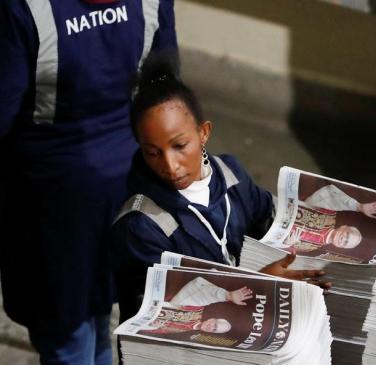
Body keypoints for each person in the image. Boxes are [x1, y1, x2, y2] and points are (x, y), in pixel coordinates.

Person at [0, 0, 177, 365]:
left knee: (65, 349)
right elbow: (165, 83)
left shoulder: (25, 8)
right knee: (98, 329)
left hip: (53, 198)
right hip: (126, 184)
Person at [110, 54, 326, 321]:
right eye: (152, 152)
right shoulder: (140, 226)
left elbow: (269, 217)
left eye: (180, 146)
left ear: (204, 133)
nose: (170, 165)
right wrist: (259, 283)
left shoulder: (230, 173)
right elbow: (174, 311)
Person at [140, 276, 253, 335]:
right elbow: (201, 290)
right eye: (215, 324)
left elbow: (158, 331)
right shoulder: (196, 311)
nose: (211, 327)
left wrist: (154, 325)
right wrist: (227, 296)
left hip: (141, 319)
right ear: (212, 319)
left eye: (214, 329)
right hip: (144, 300)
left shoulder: (186, 333)